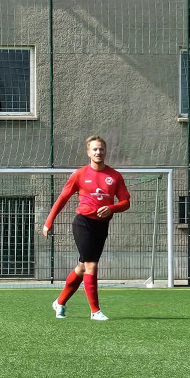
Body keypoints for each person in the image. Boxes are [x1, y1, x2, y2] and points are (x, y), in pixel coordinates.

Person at [43, 135, 130, 321]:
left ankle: (60, 302)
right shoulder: (80, 174)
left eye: (101, 149)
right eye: (95, 149)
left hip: (102, 226)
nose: (98, 152)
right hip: (83, 223)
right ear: (88, 152)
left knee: (82, 267)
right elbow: (62, 199)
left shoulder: (114, 176)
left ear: (105, 151)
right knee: (91, 265)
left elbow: (126, 202)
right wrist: (48, 221)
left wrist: (112, 208)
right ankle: (95, 311)